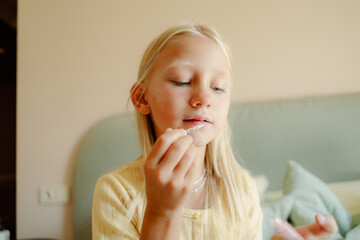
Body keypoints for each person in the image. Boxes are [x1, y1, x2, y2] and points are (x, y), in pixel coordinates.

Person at [92, 23, 338, 239]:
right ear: (142, 97)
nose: (203, 98)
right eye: (182, 81)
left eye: (218, 88)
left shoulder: (241, 190)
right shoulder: (116, 192)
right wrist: (161, 213)